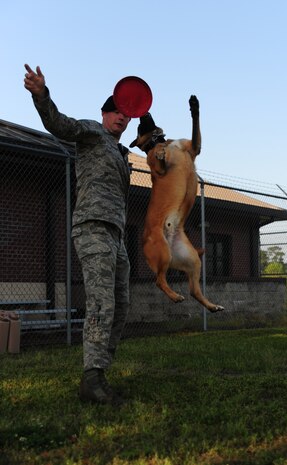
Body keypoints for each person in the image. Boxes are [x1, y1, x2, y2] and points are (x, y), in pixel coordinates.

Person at [24, 64, 132, 404]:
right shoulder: (91, 132)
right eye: (115, 111)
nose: (121, 117)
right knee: (101, 302)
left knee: (122, 303)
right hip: (92, 226)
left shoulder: (121, 153)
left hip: (116, 233)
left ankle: (100, 371)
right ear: (104, 114)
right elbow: (59, 125)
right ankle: (92, 378)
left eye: (126, 114)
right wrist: (42, 95)